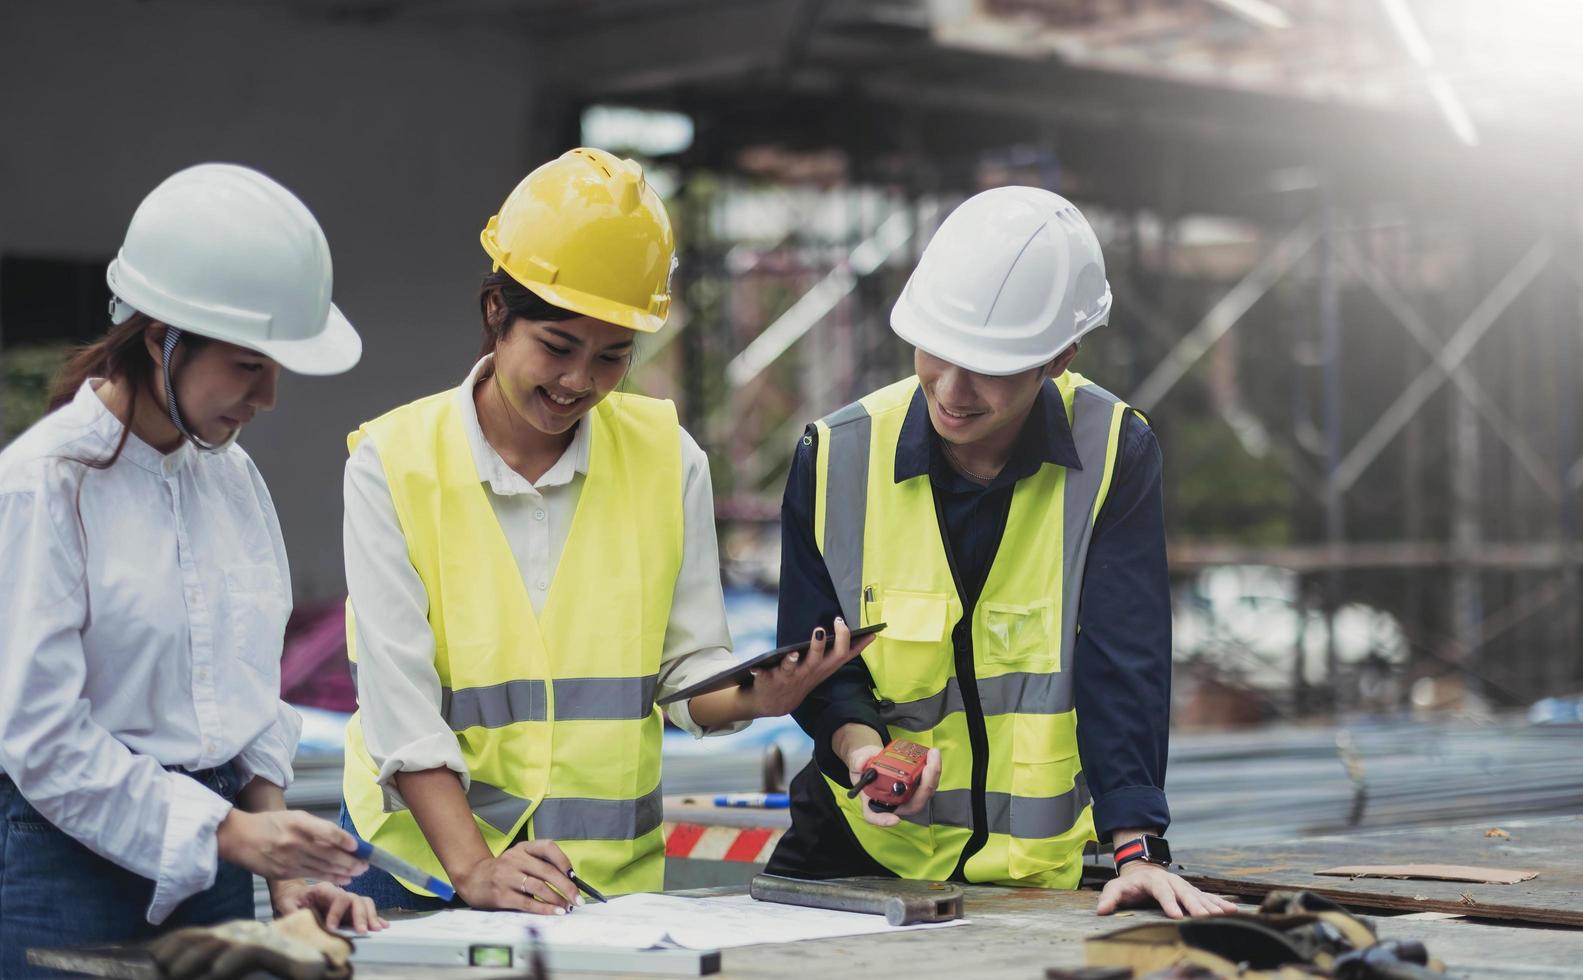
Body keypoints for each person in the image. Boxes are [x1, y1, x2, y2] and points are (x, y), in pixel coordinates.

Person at [339, 148, 860, 915]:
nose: (578, 381)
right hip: (418, 874)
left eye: (612, 356)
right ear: (495, 312)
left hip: (602, 892)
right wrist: (475, 868)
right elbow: (399, 705)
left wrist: (756, 696)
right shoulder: (394, 464)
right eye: (556, 346)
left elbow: (684, 678)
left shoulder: (665, 457)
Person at [765, 186, 1237, 919]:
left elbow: (1124, 663)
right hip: (859, 851)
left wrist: (1136, 850)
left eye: (990, 366)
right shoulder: (835, 455)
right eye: (938, 353)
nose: (951, 391)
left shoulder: (1114, 451)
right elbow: (816, 656)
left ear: (1059, 357)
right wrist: (863, 754)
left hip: (1035, 873)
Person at [0, 163, 383, 975]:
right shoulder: (43, 485)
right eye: (249, 365)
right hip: (61, 867)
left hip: (217, 862)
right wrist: (236, 835)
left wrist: (283, 871)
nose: (270, 396)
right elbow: (41, 738)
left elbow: (246, 702)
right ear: (158, 341)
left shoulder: (230, 477)